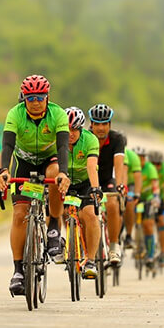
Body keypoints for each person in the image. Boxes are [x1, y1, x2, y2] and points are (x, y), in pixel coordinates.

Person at [0, 75, 70, 296]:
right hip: (24, 163)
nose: (36, 102)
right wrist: (3, 171)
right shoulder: (15, 114)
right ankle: (18, 270)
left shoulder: (58, 114)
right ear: (23, 98)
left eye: (40, 97)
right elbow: (7, 145)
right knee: (19, 214)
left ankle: (54, 227)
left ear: (47, 97)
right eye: (30, 98)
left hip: (50, 160)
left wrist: (64, 173)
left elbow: (64, 146)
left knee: (55, 174)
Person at [61, 107, 103, 277]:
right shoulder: (57, 139)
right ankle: (61, 242)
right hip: (64, 181)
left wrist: (95, 188)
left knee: (90, 215)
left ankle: (91, 260)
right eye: (67, 130)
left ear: (80, 129)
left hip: (85, 182)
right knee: (56, 212)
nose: (70, 134)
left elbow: (92, 166)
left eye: (74, 130)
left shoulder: (90, 140)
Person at [88, 103, 126, 265]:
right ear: (91, 125)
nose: (101, 128)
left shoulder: (117, 139)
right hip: (88, 180)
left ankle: (114, 246)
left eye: (104, 124)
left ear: (110, 124)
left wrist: (120, 185)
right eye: (97, 123)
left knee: (112, 204)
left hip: (107, 180)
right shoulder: (85, 137)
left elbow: (119, 165)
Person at [135, 147, 160, 266]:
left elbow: (155, 184)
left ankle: (150, 255)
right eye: (137, 158)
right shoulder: (131, 167)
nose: (140, 161)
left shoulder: (150, 168)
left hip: (148, 199)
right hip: (134, 197)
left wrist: (156, 196)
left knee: (148, 224)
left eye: (142, 158)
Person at [121, 146, 142, 249]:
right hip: (111, 180)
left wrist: (137, 193)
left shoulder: (132, 156)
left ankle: (128, 235)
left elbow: (137, 176)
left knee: (129, 203)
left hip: (129, 185)